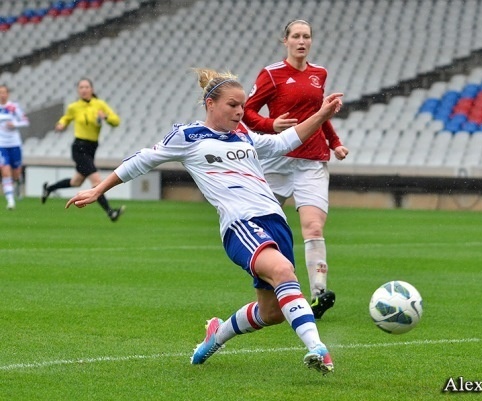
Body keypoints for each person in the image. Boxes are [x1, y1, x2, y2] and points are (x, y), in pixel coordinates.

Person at [65, 69, 343, 375]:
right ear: (210, 104)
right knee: (283, 270)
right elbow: (142, 159)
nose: (240, 111)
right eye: (233, 105)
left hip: (275, 221)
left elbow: (282, 142)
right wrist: (99, 188)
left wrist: (321, 114)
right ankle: (318, 349)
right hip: (240, 224)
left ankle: (216, 335)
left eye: (242, 105)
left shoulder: (243, 134)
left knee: (272, 312)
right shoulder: (188, 136)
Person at [242, 19, 349, 319]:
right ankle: (272, 286)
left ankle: (317, 295)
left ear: (311, 41)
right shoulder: (272, 74)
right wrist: (270, 125)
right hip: (276, 159)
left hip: (312, 161)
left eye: (306, 36)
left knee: (313, 227)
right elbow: (247, 111)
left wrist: (335, 143)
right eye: (296, 36)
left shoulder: (319, 74)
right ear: (285, 40)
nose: (302, 41)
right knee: (261, 228)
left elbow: (319, 115)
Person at [41, 78, 125, 222]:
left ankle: (49, 189)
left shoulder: (100, 105)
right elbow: (66, 118)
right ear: (78, 91)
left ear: (92, 89)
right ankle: (111, 212)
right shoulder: (74, 107)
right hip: (79, 147)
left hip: (92, 148)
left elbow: (116, 121)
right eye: (81, 87)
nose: (84, 90)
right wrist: (61, 124)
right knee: (97, 181)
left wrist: (106, 117)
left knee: (76, 182)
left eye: (86, 87)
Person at [0, 84, 29, 210]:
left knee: (16, 173)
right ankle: (11, 201)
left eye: (4, 92)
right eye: (0, 92)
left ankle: (18, 181)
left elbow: (25, 121)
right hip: (1, 145)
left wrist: (15, 124)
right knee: (5, 172)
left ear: (8, 94)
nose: (2, 95)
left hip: (14, 144)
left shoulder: (13, 107)